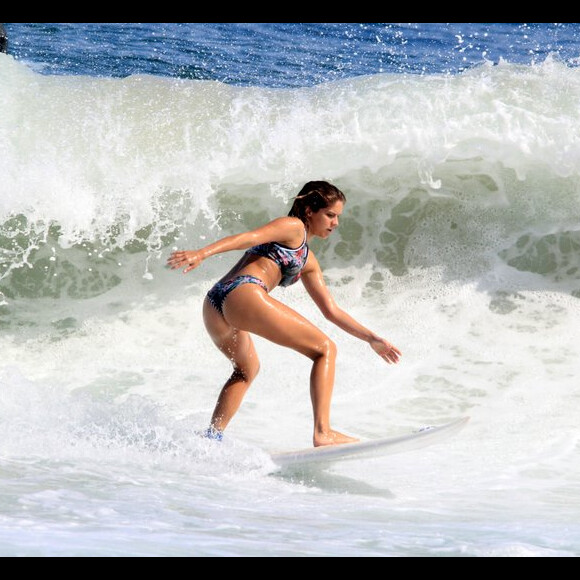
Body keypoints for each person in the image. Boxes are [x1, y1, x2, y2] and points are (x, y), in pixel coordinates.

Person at [167, 180, 402, 447]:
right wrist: (203, 253)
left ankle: (212, 437)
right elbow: (250, 238)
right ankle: (323, 432)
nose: (335, 223)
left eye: (338, 217)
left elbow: (331, 310)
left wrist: (372, 338)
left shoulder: (308, 261)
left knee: (246, 370)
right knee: (325, 349)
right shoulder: (293, 227)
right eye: (330, 215)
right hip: (243, 292)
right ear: (310, 210)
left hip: (215, 303)